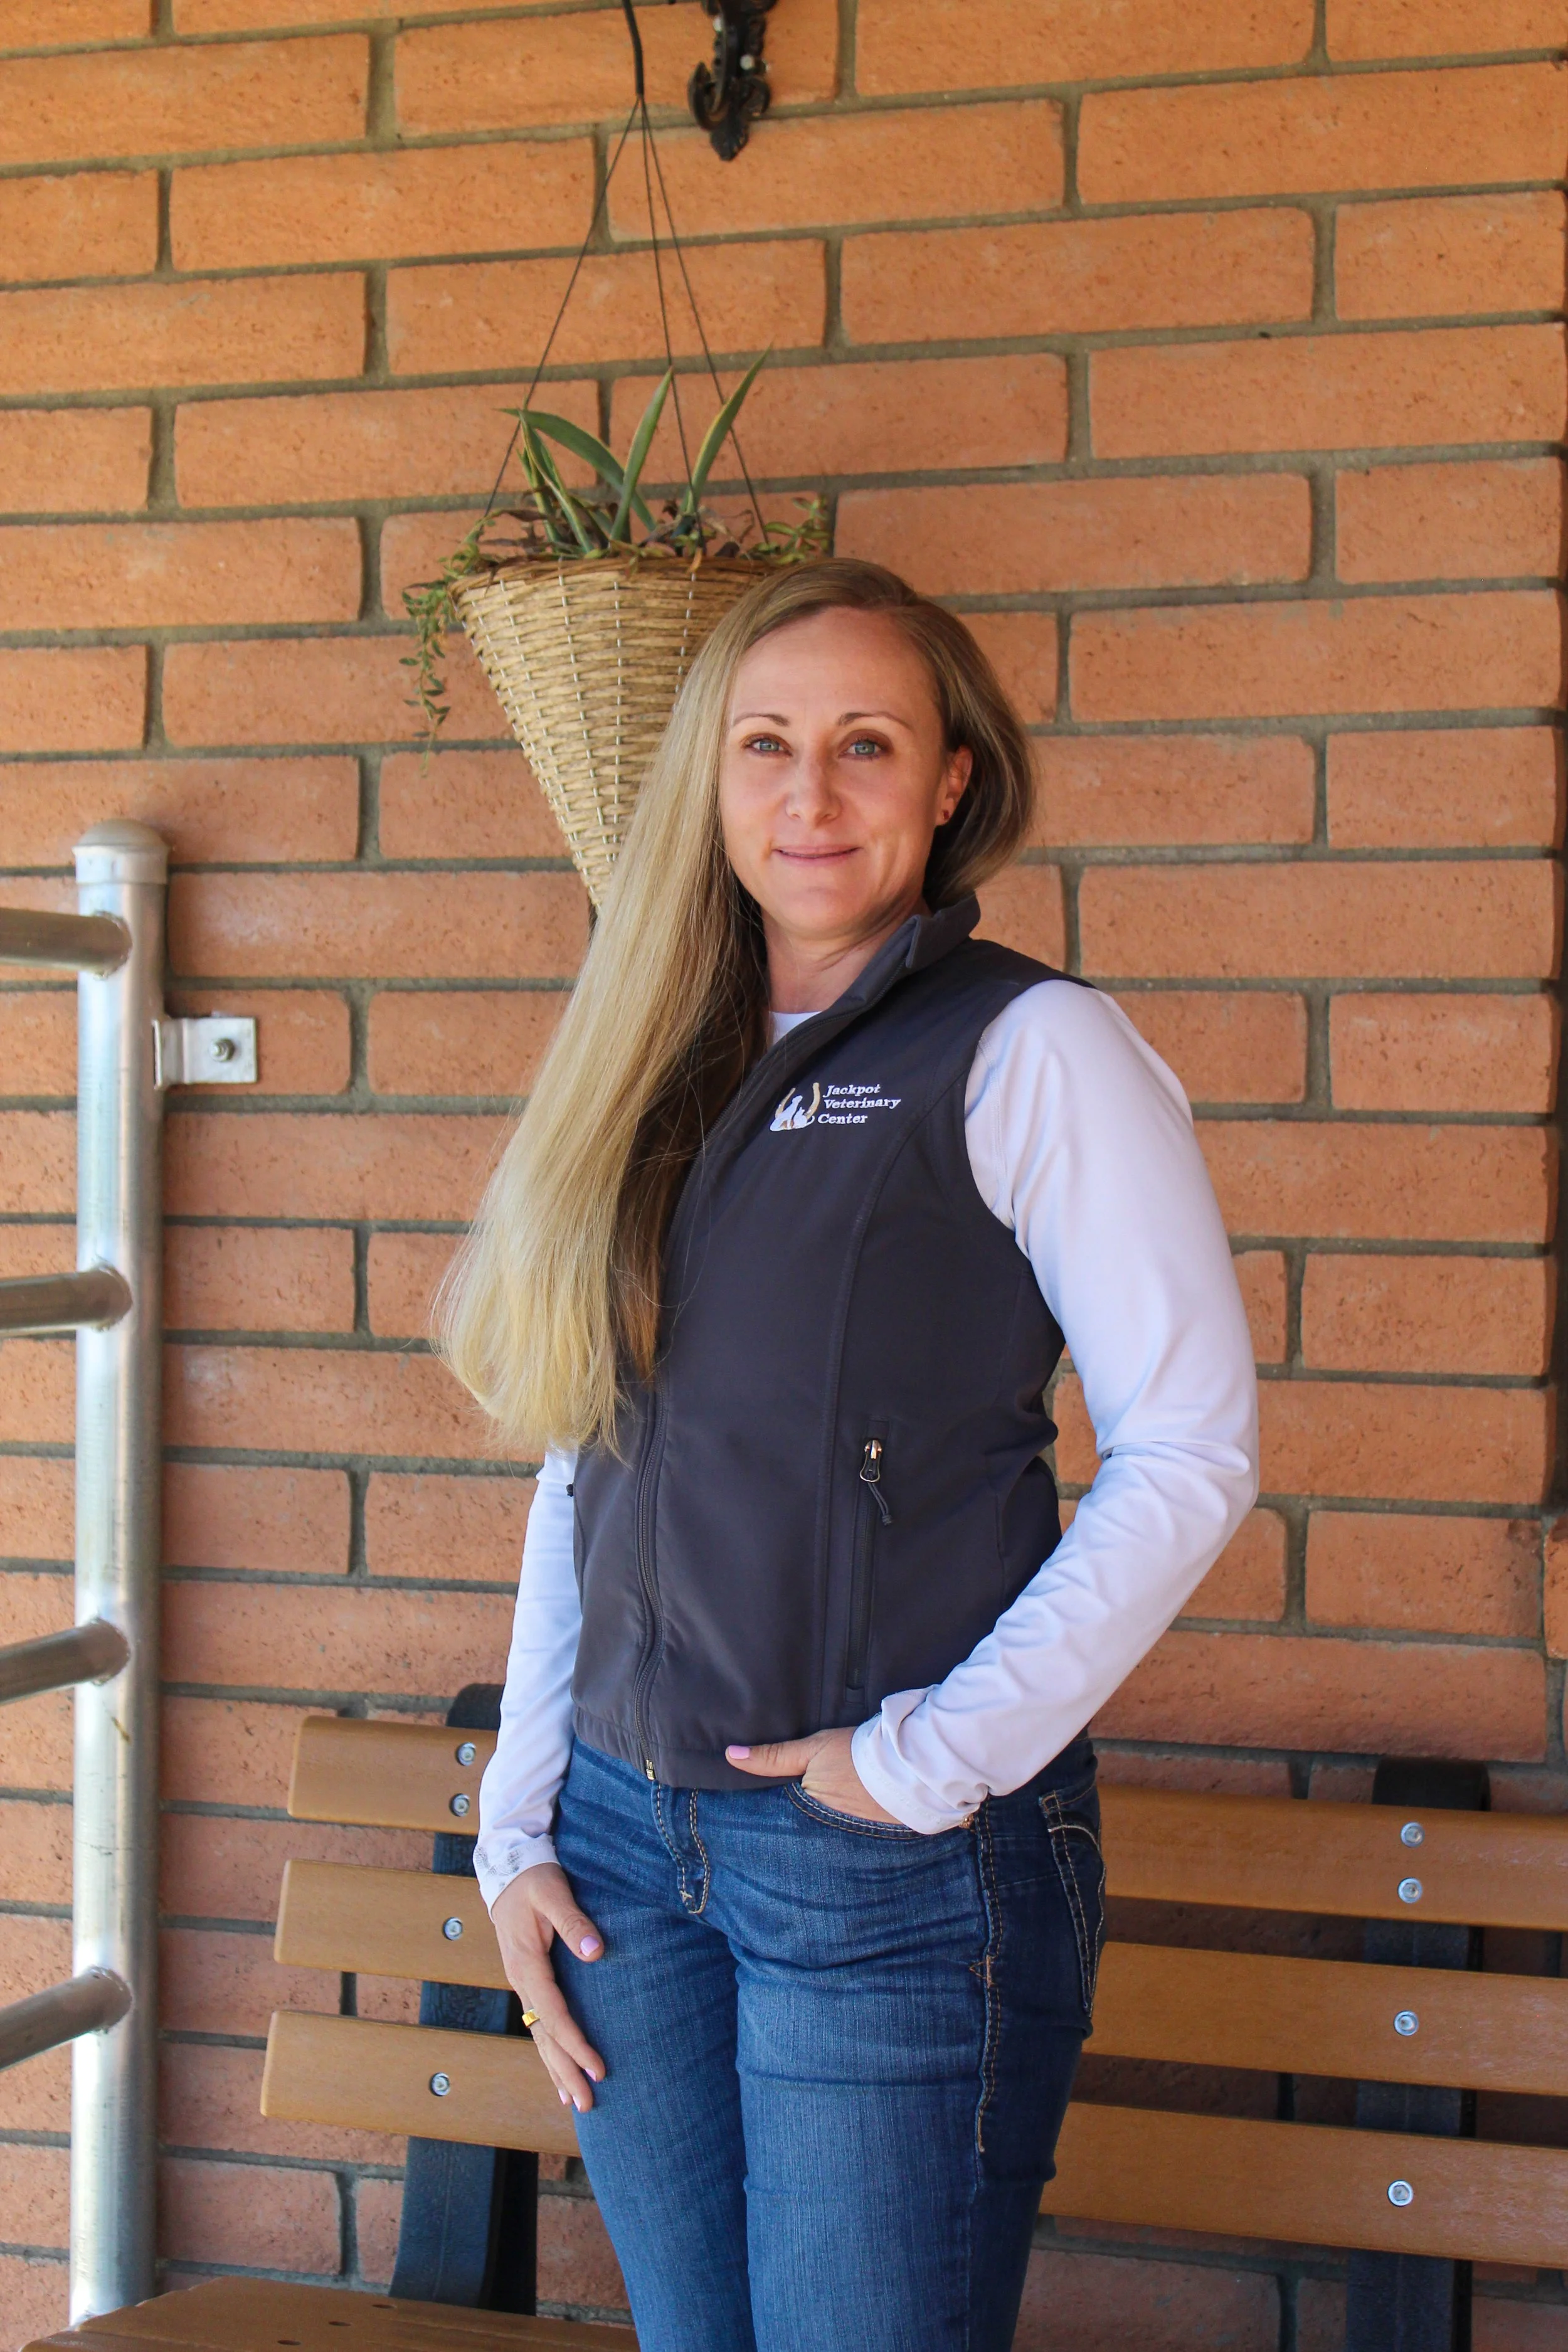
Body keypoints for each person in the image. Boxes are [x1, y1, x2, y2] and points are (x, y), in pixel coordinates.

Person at [438, 557, 1258, 2352]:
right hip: (625, 1862)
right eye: (766, 746)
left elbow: (1192, 1448)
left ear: (950, 778)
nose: (810, 795)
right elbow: (589, 1453)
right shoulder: (655, 1058)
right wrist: (515, 1824)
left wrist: (927, 1759)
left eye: (865, 744)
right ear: (708, 782)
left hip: (884, 1865)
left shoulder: (1031, 1049)